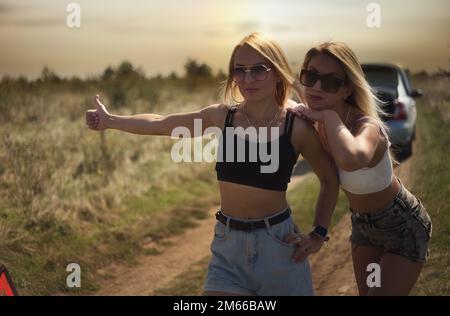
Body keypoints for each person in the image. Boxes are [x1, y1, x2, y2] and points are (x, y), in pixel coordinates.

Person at [85, 33, 339, 296]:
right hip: (228, 248)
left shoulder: (295, 127)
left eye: (258, 70)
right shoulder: (222, 117)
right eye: (239, 70)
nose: (247, 79)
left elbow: (330, 180)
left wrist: (318, 234)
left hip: (279, 247)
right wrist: (110, 120)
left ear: (277, 73)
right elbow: (162, 123)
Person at [286, 41, 432, 295]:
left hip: (402, 225)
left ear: (347, 90)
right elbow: (328, 182)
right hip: (363, 227)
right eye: (310, 76)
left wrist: (329, 118)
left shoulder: (367, 126)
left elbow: (352, 159)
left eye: (330, 82)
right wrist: (318, 234)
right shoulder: (315, 116)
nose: (317, 87)